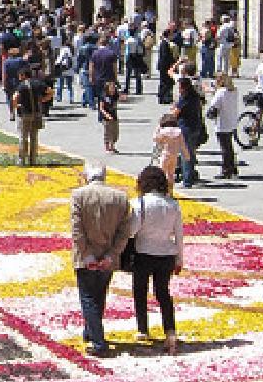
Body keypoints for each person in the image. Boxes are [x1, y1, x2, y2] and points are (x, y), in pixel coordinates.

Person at [70, 161, 131, 357]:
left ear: (86, 176)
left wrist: (87, 255)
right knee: (99, 295)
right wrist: (111, 255)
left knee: (88, 298)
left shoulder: (79, 195)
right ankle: (90, 332)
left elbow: (77, 231)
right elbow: (124, 233)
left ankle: (98, 342)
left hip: (85, 257)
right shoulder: (120, 197)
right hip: (108, 256)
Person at [129, 165, 184, 355]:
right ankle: (170, 331)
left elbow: (131, 230)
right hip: (167, 254)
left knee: (140, 291)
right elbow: (179, 235)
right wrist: (179, 259)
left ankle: (143, 329)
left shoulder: (140, 204)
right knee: (163, 294)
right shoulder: (173, 204)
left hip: (144, 252)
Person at [13, 65, 50, 166]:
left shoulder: (21, 86)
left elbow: (14, 97)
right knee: (34, 137)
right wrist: (43, 100)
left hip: (24, 114)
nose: (19, 78)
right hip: (37, 113)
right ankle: (32, 160)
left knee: (23, 137)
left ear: (24, 75)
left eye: (20, 76)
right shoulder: (38, 83)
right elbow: (50, 92)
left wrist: (17, 106)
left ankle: (21, 160)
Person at [171, 76, 203, 188]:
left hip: (186, 129)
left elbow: (175, 112)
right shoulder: (195, 97)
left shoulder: (185, 98)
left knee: (186, 155)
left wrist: (174, 108)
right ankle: (191, 175)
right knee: (191, 153)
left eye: (179, 87)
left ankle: (187, 179)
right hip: (195, 127)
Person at [206, 72, 239, 178]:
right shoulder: (234, 90)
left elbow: (214, 106)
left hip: (222, 122)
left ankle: (226, 170)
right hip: (232, 121)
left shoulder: (220, 92)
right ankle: (233, 168)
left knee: (225, 148)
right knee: (229, 146)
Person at [153, 113, 189, 193]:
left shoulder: (163, 131)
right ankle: (170, 191)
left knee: (161, 173)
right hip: (174, 155)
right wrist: (186, 156)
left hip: (165, 154)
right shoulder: (178, 132)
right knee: (171, 174)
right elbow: (183, 145)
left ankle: (160, 190)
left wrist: (158, 128)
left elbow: (155, 139)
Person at [99, 79, 120, 153]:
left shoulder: (115, 95)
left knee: (115, 132)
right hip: (106, 118)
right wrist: (106, 114)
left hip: (114, 116)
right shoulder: (104, 96)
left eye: (114, 87)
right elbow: (101, 108)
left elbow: (117, 100)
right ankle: (107, 147)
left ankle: (112, 146)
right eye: (112, 87)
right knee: (107, 132)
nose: (113, 89)